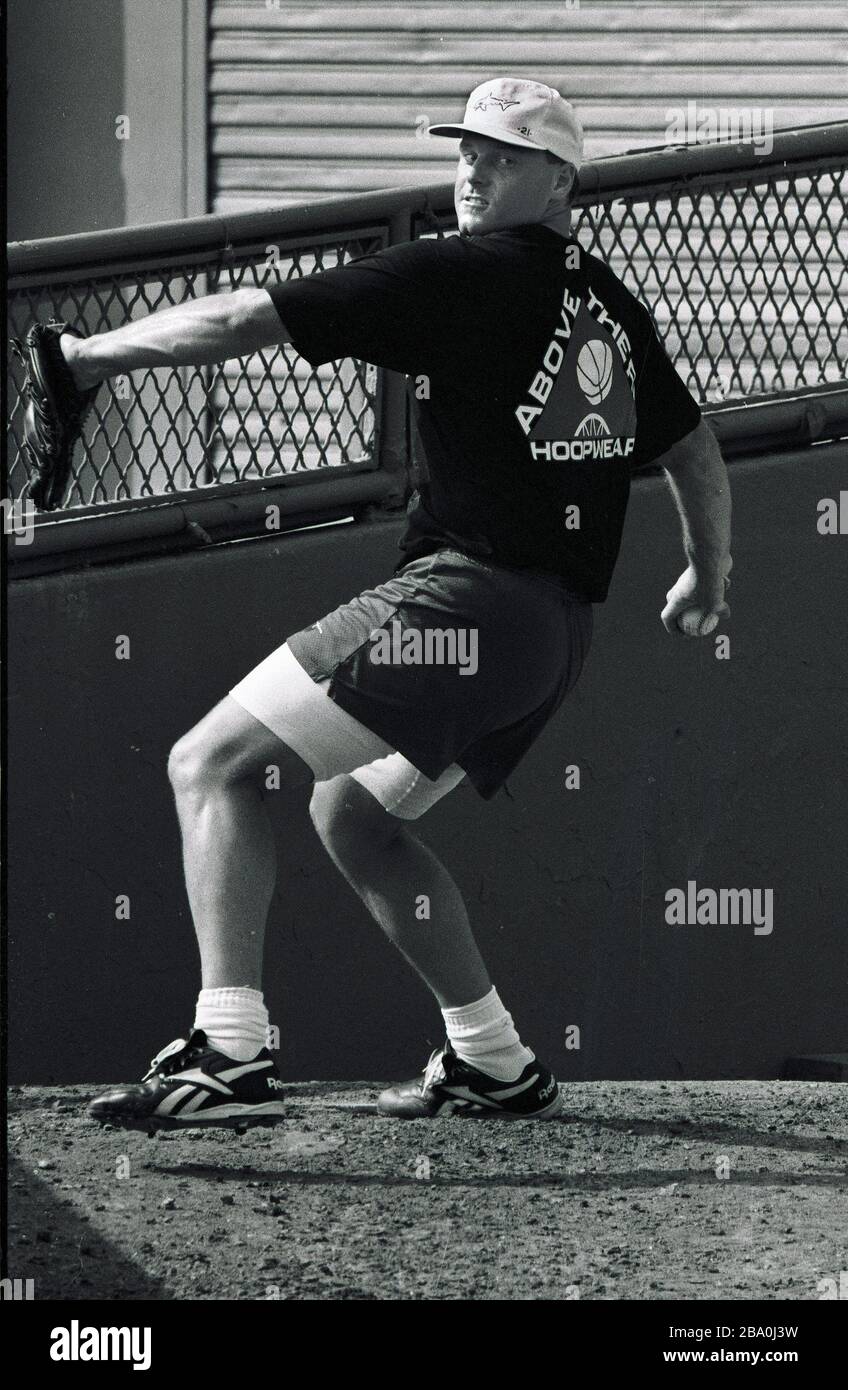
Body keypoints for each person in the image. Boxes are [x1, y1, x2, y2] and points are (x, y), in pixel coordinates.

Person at [14, 77, 731, 1131]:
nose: (471, 168)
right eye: (464, 150)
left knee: (209, 763)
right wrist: (706, 575)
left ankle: (231, 1048)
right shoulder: (602, 301)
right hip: (548, 637)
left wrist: (87, 358)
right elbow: (689, 442)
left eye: (500, 154)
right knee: (350, 813)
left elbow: (247, 317)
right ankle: (491, 1057)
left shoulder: (465, 273)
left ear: (558, 177)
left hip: (465, 606)